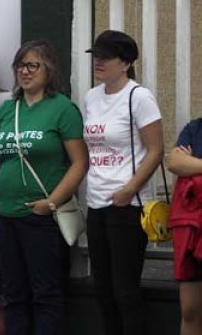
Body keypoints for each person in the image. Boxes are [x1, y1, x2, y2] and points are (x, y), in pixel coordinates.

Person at [0, 40, 88, 335]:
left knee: (46, 295)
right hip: (7, 217)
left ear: (49, 70)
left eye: (33, 65)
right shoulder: (7, 111)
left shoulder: (62, 110)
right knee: (13, 294)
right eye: (21, 65)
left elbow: (79, 163)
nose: (25, 71)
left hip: (42, 218)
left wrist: (51, 203)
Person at [83, 30, 163, 335]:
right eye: (96, 56)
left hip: (127, 206)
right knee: (102, 289)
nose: (99, 62)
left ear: (126, 63)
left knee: (125, 291)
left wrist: (129, 188)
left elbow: (156, 150)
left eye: (106, 57)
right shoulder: (92, 97)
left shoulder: (138, 96)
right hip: (97, 203)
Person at [167, 119, 202, 335]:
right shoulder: (195, 129)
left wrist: (194, 163)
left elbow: (185, 164)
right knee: (190, 310)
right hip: (193, 230)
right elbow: (175, 163)